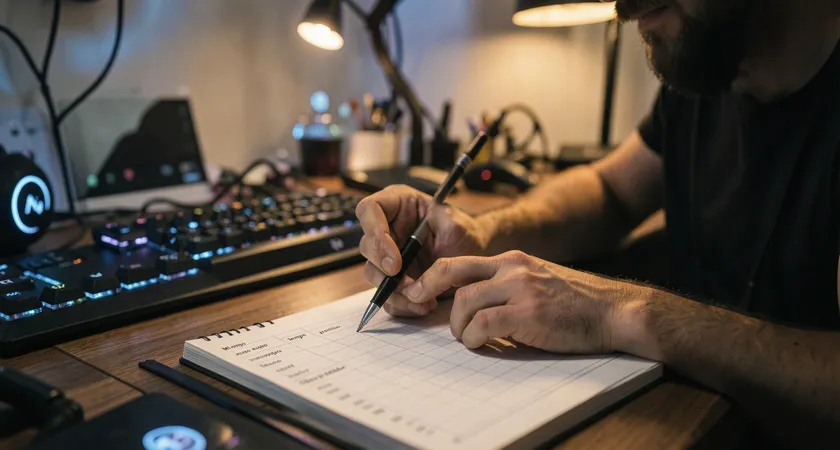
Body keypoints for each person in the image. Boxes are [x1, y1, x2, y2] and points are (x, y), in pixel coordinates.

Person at [355, 0, 840, 447]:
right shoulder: (711, 68)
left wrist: (621, 311)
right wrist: (478, 232)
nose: (623, 7)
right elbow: (609, 192)